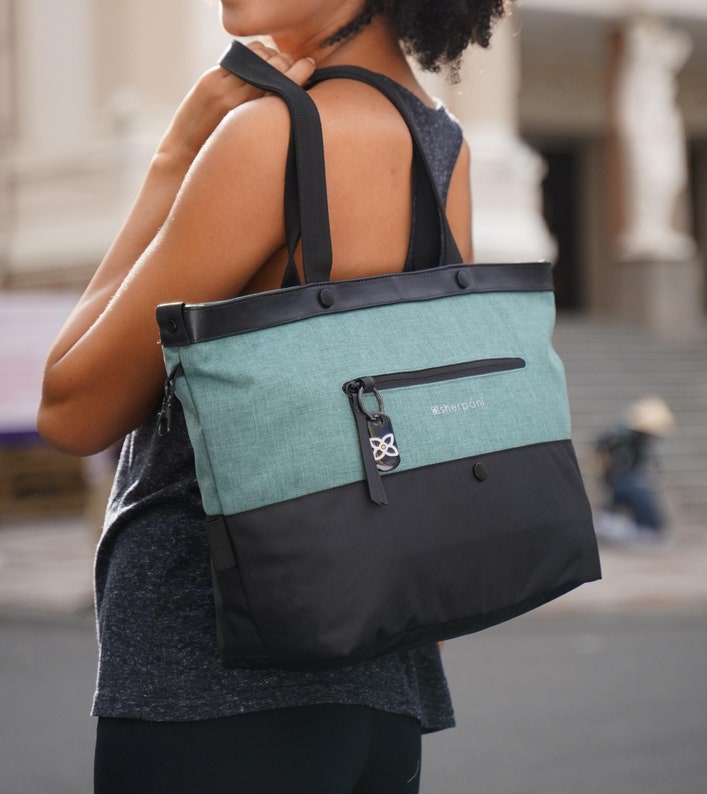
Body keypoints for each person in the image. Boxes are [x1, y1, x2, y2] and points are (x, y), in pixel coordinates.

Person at [36, 1, 506, 791]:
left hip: (213, 690)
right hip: (381, 690)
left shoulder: (271, 138)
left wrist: (174, 156)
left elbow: (71, 409)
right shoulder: (441, 147)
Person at [593, 396, 675, 547]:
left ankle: (648, 528)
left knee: (638, 493)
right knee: (634, 493)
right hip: (619, 474)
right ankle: (644, 528)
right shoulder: (622, 434)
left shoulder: (641, 440)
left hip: (631, 473)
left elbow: (649, 458)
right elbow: (602, 446)